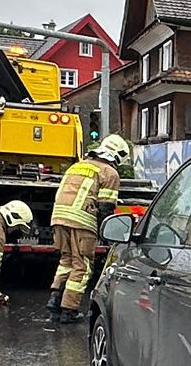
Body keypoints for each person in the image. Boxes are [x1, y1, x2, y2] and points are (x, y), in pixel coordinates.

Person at [46, 137, 130, 323]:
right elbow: (106, 208)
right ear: (118, 156)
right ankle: (69, 310)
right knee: (82, 266)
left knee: (66, 260)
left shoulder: (77, 166)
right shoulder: (110, 173)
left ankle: (55, 301)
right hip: (81, 220)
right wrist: (108, 236)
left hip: (58, 217)